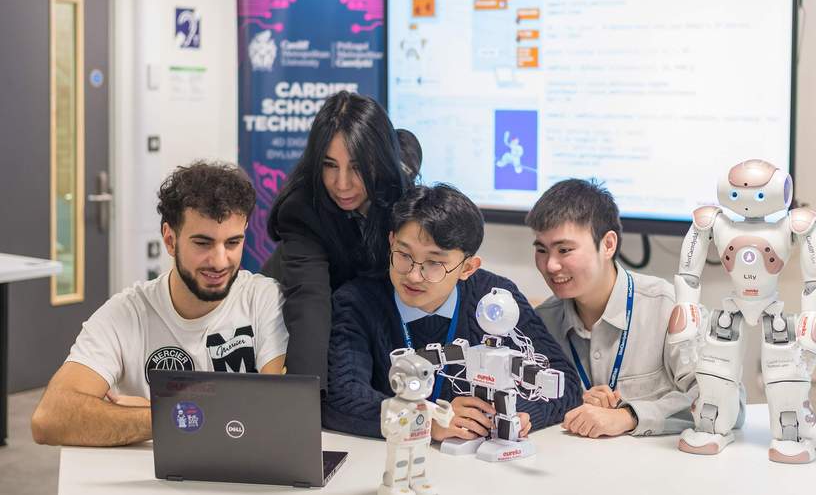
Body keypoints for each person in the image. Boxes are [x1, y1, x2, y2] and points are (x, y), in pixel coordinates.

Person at [31, 162, 288, 446]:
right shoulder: (126, 314)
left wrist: (155, 410)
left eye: (232, 243)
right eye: (202, 243)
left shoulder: (263, 299)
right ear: (169, 239)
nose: (219, 260)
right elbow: (50, 418)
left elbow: (280, 410)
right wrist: (167, 417)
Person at [324, 184, 580, 439]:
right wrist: (427, 420)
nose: (413, 275)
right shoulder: (357, 302)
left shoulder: (495, 299)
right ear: (391, 242)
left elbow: (564, 383)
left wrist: (521, 414)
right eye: (403, 254)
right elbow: (342, 398)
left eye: (434, 263)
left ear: (468, 268)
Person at [526, 179, 697, 438]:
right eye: (541, 250)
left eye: (564, 250)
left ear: (608, 245)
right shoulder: (542, 323)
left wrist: (628, 416)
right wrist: (575, 402)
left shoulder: (667, 308)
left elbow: (726, 404)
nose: (550, 265)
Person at [265, 92, 412, 390]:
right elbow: (310, 304)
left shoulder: (402, 200)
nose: (342, 184)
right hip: (297, 319)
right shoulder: (302, 209)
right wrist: (306, 400)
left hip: (359, 324)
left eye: (357, 167)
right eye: (330, 165)